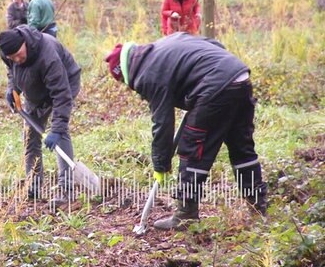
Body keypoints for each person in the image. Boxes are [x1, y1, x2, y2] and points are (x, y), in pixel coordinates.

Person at [103, 32, 268, 230]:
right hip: (238, 76)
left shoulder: (148, 74)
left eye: (123, 83)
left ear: (125, 73)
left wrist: (160, 164)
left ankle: (186, 215)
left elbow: (162, 122)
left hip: (215, 86)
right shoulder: (165, 45)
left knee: (193, 147)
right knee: (242, 147)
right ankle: (258, 207)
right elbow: (214, 44)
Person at [0, 25, 81, 203]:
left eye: (19, 54)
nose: (17, 59)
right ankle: (33, 186)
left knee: (60, 134)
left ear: (25, 43)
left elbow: (61, 95)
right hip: (34, 88)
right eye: (12, 58)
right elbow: (12, 71)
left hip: (63, 85)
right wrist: (12, 88)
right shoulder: (10, 53)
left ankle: (66, 191)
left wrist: (57, 130)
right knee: (30, 136)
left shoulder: (47, 56)